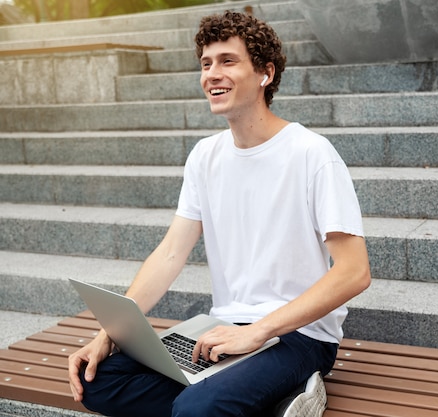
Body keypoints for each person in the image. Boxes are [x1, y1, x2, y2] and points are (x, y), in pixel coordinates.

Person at [68, 10, 371, 417]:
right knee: (96, 381)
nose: (212, 73)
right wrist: (111, 332)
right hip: (221, 329)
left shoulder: (311, 154)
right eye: (206, 64)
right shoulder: (205, 156)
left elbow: (354, 272)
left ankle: (238, 399)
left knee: (197, 409)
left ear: (265, 72)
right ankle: (278, 405)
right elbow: (171, 253)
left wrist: (261, 331)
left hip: (296, 336)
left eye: (228, 61)